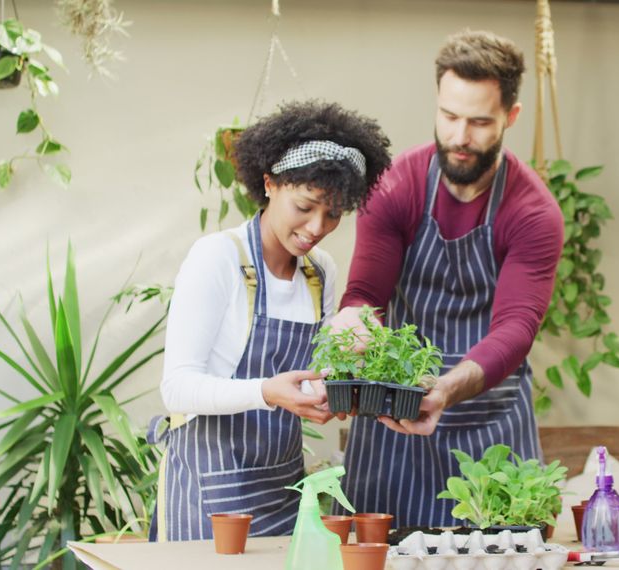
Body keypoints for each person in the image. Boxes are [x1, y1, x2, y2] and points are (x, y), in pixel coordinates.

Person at [330, 30, 564, 526]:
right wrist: (351, 324)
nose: (460, 137)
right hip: (393, 419)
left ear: (510, 117)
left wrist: (444, 389)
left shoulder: (533, 211)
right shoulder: (395, 186)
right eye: (449, 116)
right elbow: (365, 295)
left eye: (480, 122)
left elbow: (516, 329)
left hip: (492, 424)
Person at [149, 100, 392, 540]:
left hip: (283, 492)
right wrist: (268, 393)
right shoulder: (218, 257)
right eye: (306, 205)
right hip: (210, 497)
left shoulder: (320, 273)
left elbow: (317, 373)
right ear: (270, 184)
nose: (317, 226)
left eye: (334, 213)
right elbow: (177, 388)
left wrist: (339, 388)